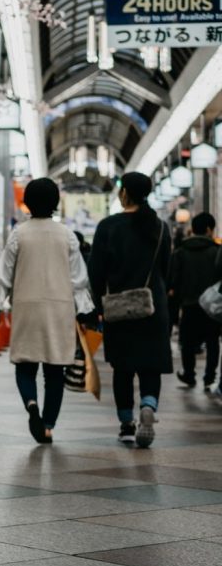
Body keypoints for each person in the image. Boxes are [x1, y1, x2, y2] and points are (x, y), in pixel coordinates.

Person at [0, 178, 94, 444]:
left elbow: (4, 275)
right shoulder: (67, 235)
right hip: (59, 309)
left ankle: (31, 405)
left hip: (26, 307)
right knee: (54, 372)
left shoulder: (19, 234)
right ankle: (47, 426)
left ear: (27, 201)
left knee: (25, 366)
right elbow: (78, 279)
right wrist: (85, 311)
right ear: (56, 202)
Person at [88, 172, 172, 448]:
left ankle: (126, 424)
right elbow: (166, 271)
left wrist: (95, 306)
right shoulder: (160, 227)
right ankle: (148, 404)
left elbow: (96, 273)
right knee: (151, 365)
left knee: (122, 368)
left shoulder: (108, 227)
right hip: (153, 307)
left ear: (124, 193)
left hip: (119, 308)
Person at [168, 212, 219, 391]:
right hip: (212, 306)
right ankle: (209, 377)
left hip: (188, 305)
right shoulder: (216, 251)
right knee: (212, 342)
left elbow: (173, 280)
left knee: (187, 342)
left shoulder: (180, 252)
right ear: (208, 229)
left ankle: (189, 374)